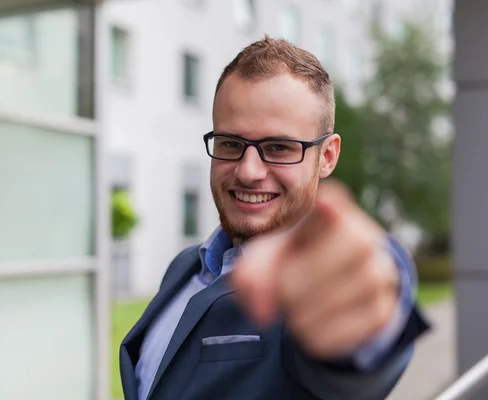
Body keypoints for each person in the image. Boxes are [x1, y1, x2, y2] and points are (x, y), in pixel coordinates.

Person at [119, 36, 429, 400]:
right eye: (231, 143)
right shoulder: (185, 266)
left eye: (278, 147)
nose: (248, 171)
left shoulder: (314, 280)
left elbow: (355, 343)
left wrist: (378, 288)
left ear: (327, 156)